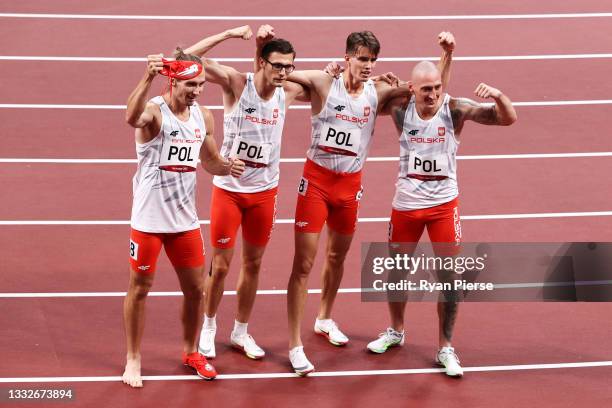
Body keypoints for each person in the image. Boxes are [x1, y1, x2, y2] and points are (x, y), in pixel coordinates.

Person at [282, 31, 455, 375]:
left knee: (337, 255)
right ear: (347, 57)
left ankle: (325, 318)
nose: (367, 66)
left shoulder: (379, 91)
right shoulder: (324, 82)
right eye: (361, 59)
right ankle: (294, 346)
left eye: (372, 60)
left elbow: (430, 92)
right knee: (304, 264)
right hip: (316, 183)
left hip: (349, 187)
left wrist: (446, 55)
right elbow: (282, 74)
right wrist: (322, 68)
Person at [366, 60, 517, 377]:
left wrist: (499, 95)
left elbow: (507, 119)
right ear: (412, 90)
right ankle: (396, 331)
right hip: (405, 205)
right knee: (397, 272)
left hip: (443, 207)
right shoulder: (399, 110)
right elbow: (365, 98)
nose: (433, 94)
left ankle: (445, 347)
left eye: (437, 87)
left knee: (448, 279)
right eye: (425, 89)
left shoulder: (455, 110)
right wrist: (385, 83)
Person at [183, 25, 310, 360]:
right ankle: (209, 325)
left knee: (253, 264)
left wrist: (348, 75)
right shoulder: (238, 84)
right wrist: (226, 35)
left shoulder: (289, 92)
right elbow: (187, 58)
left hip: (264, 194)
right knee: (222, 265)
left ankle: (241, 331)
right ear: (262, 64)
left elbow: (333, 87)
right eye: (277, 65)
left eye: (289, 66)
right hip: (229, 191)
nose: (283, 72)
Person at [122, 48, 245, 387]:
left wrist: (226, 167)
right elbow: (131, 118)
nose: (196, 92)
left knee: (196, 291)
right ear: (173, 81)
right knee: (140, 288)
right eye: (190, 85)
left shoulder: (203, 117)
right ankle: (133, 358)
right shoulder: (154, 113)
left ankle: (191, 351)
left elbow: (209, 161)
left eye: (202, 85)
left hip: (184, 223)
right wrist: (147, 77)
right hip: (148, 222)